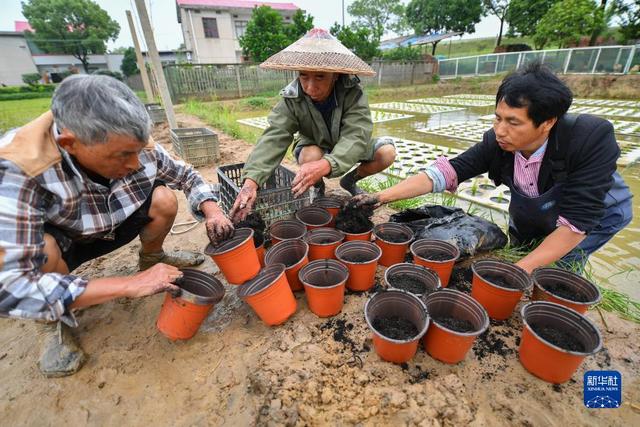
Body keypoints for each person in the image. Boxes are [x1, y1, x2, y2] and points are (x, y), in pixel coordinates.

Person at [0, 75, 234, 377]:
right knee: (42, 249)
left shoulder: (132, 141)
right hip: (67, 240)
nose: (136, 163)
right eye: (123, 155)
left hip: (114, 223)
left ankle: (153, 257)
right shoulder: (19, 168)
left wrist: (212, 210)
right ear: (70, 144)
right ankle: (53, 323)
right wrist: (128, 285)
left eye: (137, 150)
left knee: (163, 197)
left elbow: (188, 176)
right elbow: (10, 287)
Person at [354, 62, 633, 274]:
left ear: (547, 122)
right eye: (497, 118)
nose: (500, 130)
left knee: (557, 267)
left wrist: (517, 271)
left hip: (595, 214)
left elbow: (576, 223)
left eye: (513, 122)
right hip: (538, 208)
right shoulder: (498, 142)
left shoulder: (589, 139)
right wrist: (379, 197)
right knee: (521, 249)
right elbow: (446, 172)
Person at [229, 28, 397, 222]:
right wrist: (251, 182)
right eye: (303, 76)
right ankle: (317, 187)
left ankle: (350, 180)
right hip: (314, 143)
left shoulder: (352, 93)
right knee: (310, 157)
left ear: (335, 74)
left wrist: (327, 164)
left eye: (319, 77)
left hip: (347, 145)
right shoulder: (292, 97)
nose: (310, 87)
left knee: (386, 153)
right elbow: (275, 135)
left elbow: (356, 135)